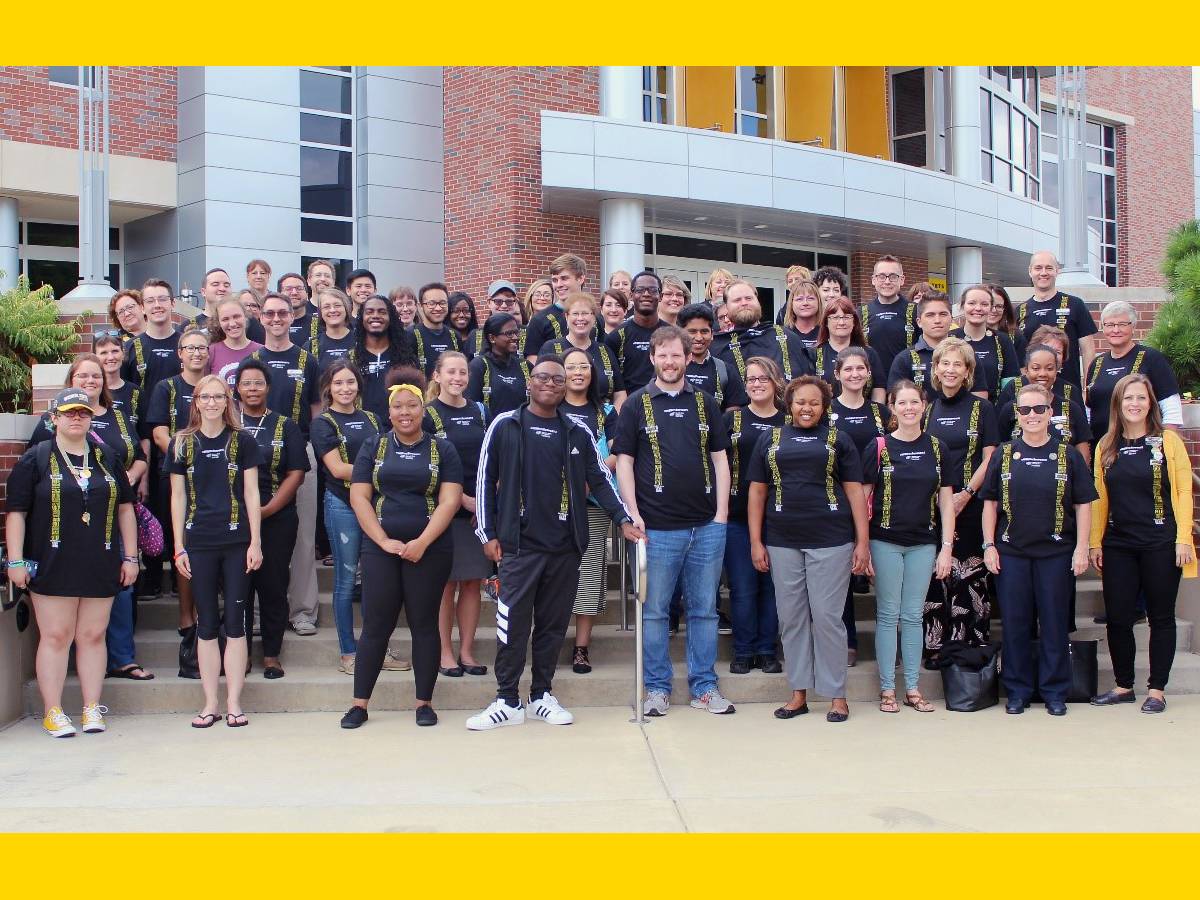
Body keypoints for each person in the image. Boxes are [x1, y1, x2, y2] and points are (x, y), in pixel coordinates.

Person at [468, 355, 638, 729]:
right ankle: (507, 700)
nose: (549, 383)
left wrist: (623, 518)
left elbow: (600, 481)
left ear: (564, 388)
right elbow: (484, 480)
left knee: (551, 625)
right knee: (512, 625)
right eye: (542, 377)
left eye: (557, 379)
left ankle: (541, 695)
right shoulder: (505, 425)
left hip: (564, 546)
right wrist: (488, 533)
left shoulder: (577, 431)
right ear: (530, 382)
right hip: (518, 546)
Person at [614, 326, 734, 717]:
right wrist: (634, 513)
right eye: (662, 355)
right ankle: (656, 689)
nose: (670, 362)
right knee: (655, 612)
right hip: (658, 530)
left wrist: (720, 516)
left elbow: (720, 459)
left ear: (687, 358)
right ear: (652, 358)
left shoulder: (704, 402)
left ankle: (704, 687)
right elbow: (625, 464)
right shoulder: (634, 405)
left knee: (704, 610)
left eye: (676, 355)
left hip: (706, 528)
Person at [6, 388, 139, 737]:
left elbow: (126, 509)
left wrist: (131, 556)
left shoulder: (106, 457)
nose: (76, 418)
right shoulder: (35, 458)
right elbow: (17, 513)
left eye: (82, 412)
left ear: (90, 417)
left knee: (93, 635)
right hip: (53, 560)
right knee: (56, 635)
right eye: (68, 413)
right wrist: (15, 560)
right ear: (54, 419)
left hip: (101, 559)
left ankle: (91, 708)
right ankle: (53, 711)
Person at [340, 371, 464, 730]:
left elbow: (450, 499)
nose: (405, 412)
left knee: (425, 625)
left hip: (430, 548)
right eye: (398, 407)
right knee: (376, 625)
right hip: (381, 548)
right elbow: (359, 496)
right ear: (388, 412)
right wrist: (382, 541)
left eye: (412, 405)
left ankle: (423, 702)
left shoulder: (443, 448)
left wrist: (422, 542)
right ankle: (359, 704)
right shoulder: (373, 446)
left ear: (423, 410)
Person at [746, 375, 870, 722]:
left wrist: (862, 541)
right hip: (783, 539)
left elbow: (854, 491)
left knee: (828, 618)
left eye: (814, 402)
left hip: (831, 539)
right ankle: (798, 692)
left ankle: (836, 695)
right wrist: (756, 541)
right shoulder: (769, 439)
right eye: (801, 401)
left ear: (824, 406)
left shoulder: (838, 440)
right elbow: (757, 493)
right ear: (789, 402)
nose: (807, 408)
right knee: (791, 618)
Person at [979, 382, 1096, 716]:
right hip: (1012, 552)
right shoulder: (1004, 453)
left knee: (1055, 623)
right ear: (1017, 414)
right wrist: (989, 544)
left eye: (1039, 409)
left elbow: (1083, 504)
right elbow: (989, 503)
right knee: (1015, 624)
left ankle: (1055, 691)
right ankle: (1017, 690)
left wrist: (1082, 547)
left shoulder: (1068, 454)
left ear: (1050, 412)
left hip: (1056, 553)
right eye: (1025, 409)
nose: (1032, 415)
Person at [30, 359, 149, 683]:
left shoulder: (119, 417)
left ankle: (122, 658)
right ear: (71, 379)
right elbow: (35, 469)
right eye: (83, 374)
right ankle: (71, 659)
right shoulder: (48, 422)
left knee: (122, 588)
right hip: (64, 524)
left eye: (96, 375)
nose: (90, 380)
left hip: (112, 514)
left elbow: (139, 455)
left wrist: (130, 477)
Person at [1089, 374, 1196, 713]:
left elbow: (1182, 490)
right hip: (1119, 543)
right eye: (1127, 399)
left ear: (1150, 403)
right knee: (1119, 618)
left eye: (1141, 398)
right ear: (1117, 405)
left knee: (1160, 617)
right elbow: (1098, 500)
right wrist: (1095, 542)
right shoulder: (1106, 445)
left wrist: (1183, 539)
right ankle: (1123, 686)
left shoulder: (1167, 442)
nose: (1134, 404)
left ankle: (1157, 689)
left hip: (1161, 542)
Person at [166, 375, 263, 728]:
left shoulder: (243, 441)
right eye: (205, 397)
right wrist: (178, 547)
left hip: (237, 542)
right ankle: (210, 703)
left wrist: (256, 541)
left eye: (218, 397)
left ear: (228, 401)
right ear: (195, 401)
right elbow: (177, 497)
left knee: (235, 625)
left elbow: (252, 494)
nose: (211, 403)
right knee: (206, 625)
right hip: (199, 542)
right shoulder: (180, 444)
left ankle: (235, 703)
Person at [861, 381, 955, 713]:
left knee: (913, 616)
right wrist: (863, 547)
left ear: (924, 405)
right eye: (903, 403)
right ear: (892, 407)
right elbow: (862, 498)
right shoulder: (879, 446)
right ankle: (888, 689)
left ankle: (912, 689)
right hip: (884, 540)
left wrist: (946, 547)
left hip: (923, 542)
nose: (909, 408)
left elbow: (946, 501)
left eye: (915, 402)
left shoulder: (937, 447)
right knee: (888, 614)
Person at [310, 362, 394, 674]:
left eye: (350, 382)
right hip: (343, 505)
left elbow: (388, 453)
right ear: (328, 388)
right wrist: (382, 472)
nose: (345, 388)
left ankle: (377, 650)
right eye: (338, 383)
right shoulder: (324, 423)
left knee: (377, 581)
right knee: (346, 581)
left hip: (375, 507)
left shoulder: (372, 418)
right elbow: (336, 468)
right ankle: (349, 652)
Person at [920, 337, 998, 662]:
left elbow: (990, 457)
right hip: (936, 508)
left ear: (967, 371)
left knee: (969, 579)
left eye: (957, 364)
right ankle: (938, 648)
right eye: (945, 363)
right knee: (938, 579)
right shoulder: (928, 409)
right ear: (935, 368)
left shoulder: (983, 408)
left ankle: (969, 648)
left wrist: (966, 494)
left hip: (972, 504)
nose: (950, 370)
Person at [251, 293, 322, 637]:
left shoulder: (308, 360)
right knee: (253, 532)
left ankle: (303, 609)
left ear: (293, 316)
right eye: (270, 313)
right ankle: (257, 609)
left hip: (299, 452)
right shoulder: (252, 359)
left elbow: (317, 410)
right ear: (261, 318)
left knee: (304, 536)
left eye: (283, 312)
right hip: (253, 456)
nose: (277, 318)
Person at [235, 359, 308, 681]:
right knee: (239, 587)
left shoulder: (285, 426)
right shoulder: (227, 425)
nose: (253, 389)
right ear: (236, 388)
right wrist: (246, 513)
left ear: (268, 388)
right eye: (247, 383)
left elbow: (296, 473)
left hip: (276, 517)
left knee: (273, 586)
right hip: (233, 519)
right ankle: (240, 654)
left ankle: (271, 654)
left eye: (258, 383)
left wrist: (268, 509)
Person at [422, 352, 490, 678]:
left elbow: (493, 459)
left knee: (473, 583)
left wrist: (484, 502)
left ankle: (466, 651)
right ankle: (445, 652)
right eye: (451, 372)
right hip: (444, 510)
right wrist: (463, 500)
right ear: (437, 376)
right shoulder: (427, 414)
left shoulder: (480, 410)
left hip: (479, 512)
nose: (458, 378)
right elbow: (426, 467)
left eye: (462, 372)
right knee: (446, 585)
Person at [147, 326, 210, 672]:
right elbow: (158, 432)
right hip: (175, 475)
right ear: (180, 353)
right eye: (190, 348)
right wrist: (189, 455)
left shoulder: (216, 387)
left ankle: (206, 618)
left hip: (216, 480)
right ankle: (187, 620)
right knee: (182, 546)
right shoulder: (166, 388)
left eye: (202, 347)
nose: (197, 353)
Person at [558, 347, 620, 675]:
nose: (578, 372)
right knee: (552, 573)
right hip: (553, 503)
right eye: (571, 366)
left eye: (584, 366)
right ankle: (550, 637)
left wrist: (589, 478)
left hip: (593, 505)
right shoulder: (549, 407)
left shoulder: (605, 411)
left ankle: (581, 647)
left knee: (589, 576)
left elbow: (619, 451)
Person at [723, 356, 786, 675]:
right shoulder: (732, 420)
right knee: (743, 586)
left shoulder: (788, 421)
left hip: (778, 517)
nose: (757, 383)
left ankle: (767, 649)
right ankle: (744, 649)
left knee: (772, 587)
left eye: (763, 378)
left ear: (775, 382)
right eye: (751, 379)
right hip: (736, 515)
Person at [830, 346, 891, 663]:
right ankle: (848, 641)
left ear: (869, 373)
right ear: (837, 374)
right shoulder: (826, 411)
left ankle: (888, 644)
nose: (855, 374)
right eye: (848, 369)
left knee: (882, 574)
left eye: (860, 369)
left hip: (878, 502)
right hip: (836, 501)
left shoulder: (881, 413)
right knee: (841, 576)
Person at [1086, 300, 1182, 438]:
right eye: (1110, 325)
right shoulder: (1097, 363)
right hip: (1102, 446)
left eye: (1122, 324)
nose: (1116, 330)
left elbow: (1171, 407)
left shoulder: (1152, 358)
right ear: (1103, 328)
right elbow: (1089, 410)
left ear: (1133, 327)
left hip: (1143, 447)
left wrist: (1167, 444)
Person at [1017, 250, 1098, 392]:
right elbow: (1018, 356)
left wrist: (1088, 387)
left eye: (1049, 268)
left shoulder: (1075, 304)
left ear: (1057, 271)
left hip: (1069, 388)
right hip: (1032, 393)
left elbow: (1088, 350)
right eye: (1038, 268)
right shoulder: (1020, 311)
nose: (1043, 273)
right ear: (1030, 271)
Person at [997, 344, 1092, 463]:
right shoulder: (1010, 409)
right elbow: (1000, 450)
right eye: (1036, 368)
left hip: (1063, 479)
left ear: (1056, 371)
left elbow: (1083, 453)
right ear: (1026, 371)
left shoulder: (1071, 408)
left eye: (1049, 368)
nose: (1042, 373)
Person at [713, 280, 814, 386]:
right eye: (737, 300)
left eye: (749, 298)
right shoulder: (718, 347)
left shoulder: (787, 337)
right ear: (727, 308)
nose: (744, 303)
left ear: (757, 301)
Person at [540, 292, 626, 409]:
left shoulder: (604, 350)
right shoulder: (550, 348)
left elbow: (620, 393)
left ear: (593, 317)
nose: (580, 318)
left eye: (585, 313)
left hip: (602, 421)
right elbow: (540, 389)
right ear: (566, 317)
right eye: (575, 314)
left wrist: (613, 420)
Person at [353, 294, 417, 423]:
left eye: (382, 312)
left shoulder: (406, 357)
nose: (375, 315)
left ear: (391, 318)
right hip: (363, 432)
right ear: (362, 318)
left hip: (398, 430)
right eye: (369, 312)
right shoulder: (351, 358)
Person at [810, 296, 886, 402]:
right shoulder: (814, 354)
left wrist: (876, 415)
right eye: (835, 317)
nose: (841, 322)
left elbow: (878, 388)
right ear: (826, 322)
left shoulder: (869, 353)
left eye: (846, 317)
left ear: (854, 322)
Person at [604, 270, 669, 392]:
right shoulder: (616, 337)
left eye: (653, 290)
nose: (646, 294)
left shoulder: (673, 335)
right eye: (639, 290)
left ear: (661, 296)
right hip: (629, 406)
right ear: (631, 295)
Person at [953, 284, 1019, 402]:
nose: (978, 308)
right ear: (962, 306)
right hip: (955, 411)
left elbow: (1011, 385)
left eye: (984, 304)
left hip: (994, 413)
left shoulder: (1002, 341)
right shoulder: (950, 339)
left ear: (990, 308)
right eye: (972, 303)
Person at [525, 255, 595, 363]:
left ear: (580, 278)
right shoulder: (539, 320)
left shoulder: (595, 318)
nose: (558, 285)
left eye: (564, 278)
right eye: (554, 280)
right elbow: (533, 363)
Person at [679, 303, 749, 410]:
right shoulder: (670, 367)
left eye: (704, 331)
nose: (698, 337)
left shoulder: (726, 371)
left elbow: (733, 415)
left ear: (712, 335)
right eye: (692, 332)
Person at [887, 292, 954, 399]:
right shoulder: (904, 359)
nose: (937, 320)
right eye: (930, 315)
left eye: (943, 314)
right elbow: (895, 402)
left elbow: (977, 399)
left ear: (952, 319)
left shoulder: (965, 354)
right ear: (919, 322)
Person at [859, 255, 915, 374]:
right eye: (882, 276)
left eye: (893, 276)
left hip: (905, 382)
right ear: (873, 280)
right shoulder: (860, 313)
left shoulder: (916, 311)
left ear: (902, 279)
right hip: (869, 383)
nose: (887, 281)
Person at [468, 313, 530, 418]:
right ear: (492, 338)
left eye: (516, 332)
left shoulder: (525, 366)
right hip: (491, 430)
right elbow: (471, 404)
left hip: (520, 429)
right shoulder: (479, 365)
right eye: (509, 333)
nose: (515, 337)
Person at [94, 333, 144, 460]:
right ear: (95, 357)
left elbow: (144, 440)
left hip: (131, 471)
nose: (110, 357)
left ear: (123, 354)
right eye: (104, 352)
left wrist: (143, 478)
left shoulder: (137, 393)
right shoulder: (90, 392)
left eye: (115, 351)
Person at [196, 267, 266, 343]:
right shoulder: (191, 325)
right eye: (215, 284)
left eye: (226, 285)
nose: (222, 288)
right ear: (203, 292)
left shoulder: (249, 321)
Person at [207, 296, 263, 387]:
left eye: (236, 316)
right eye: (225, 319)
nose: (232, 324)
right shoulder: (211, 352)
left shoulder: (261, 351)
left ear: (245, 317)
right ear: (218, 323)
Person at [412, 282, 463, 379]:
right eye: (431, 303)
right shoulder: (411, 335)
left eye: (442, 303)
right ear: (420, 306)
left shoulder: (455, 336)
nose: (438, 308)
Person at [470, 280, 526, 357]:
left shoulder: (527, 333)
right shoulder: (475, 336)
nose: (504, 306)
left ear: (515, 303)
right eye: (498, 301)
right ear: (489, 303)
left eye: (509, 301)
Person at [315, 287, 355, 369]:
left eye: (337, 305)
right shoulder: (311, 346)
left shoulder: (360, 341)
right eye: (326, 307)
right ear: (320, 312)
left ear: (346, 308)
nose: (332, 310)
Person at [781, 279, 823, 348]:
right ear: (791, 304)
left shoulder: (828, 333)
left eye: (810, 298)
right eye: (799, 299)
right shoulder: (783, 335)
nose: (805, 303)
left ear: (818, 302)